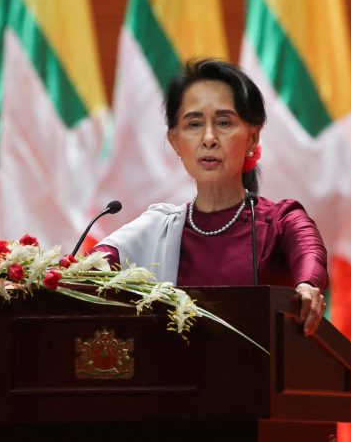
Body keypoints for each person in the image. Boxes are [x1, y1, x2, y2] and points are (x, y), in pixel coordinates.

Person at [93, 58, 327, 336]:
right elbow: (89, 268)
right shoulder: (156, 228)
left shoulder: (280, 220)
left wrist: (307, 286)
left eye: (224, 122)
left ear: (253, 137)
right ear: (175, 141)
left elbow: (310, 253)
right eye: (194, 124)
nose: (209, 138)